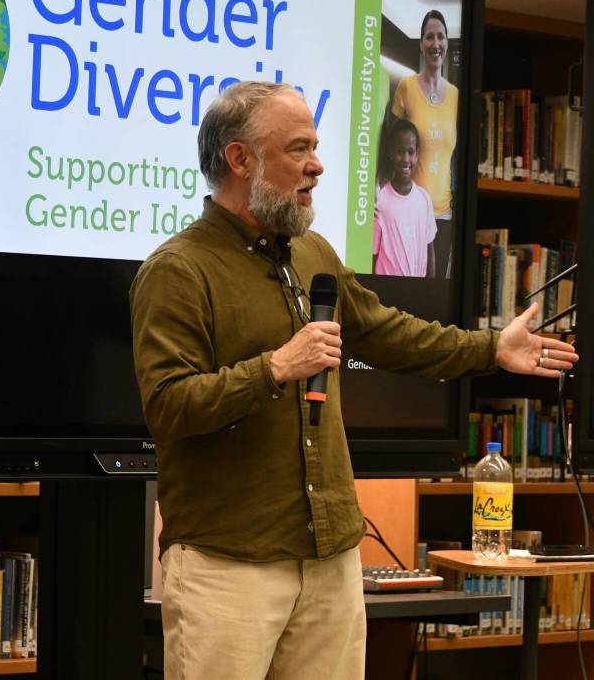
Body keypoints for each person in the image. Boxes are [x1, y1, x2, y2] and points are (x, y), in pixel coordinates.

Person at [129, 81, 577, 680]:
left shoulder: (313, 254)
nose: (317, 165)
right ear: (240, 159)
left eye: (315, 146)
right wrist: (275, 368)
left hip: (330, 555)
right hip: (227, 561)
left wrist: (490, 347)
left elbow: (390, 333)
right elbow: (167, 406)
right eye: (298, 149)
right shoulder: (177, 271)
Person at [391, 9, 458, 278]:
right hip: (409, 210)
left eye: (440, 36)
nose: (435, 43)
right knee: (408, 285)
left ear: (447, 43)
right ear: (421, 43)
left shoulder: (455, 95)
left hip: (443, 214)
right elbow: (391, 145)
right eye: (429, 37)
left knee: (435, 288)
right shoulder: (406, 87)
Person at [373, 117, 437, 277]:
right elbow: (372, 255)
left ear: (417, 155)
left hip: (417, 293)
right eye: (400, 152)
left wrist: (432, 290)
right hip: (387, 293)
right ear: (391, 154)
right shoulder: (380, 200)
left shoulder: (424, 200)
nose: (406, 159)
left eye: (410, 152)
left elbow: (430, 251)